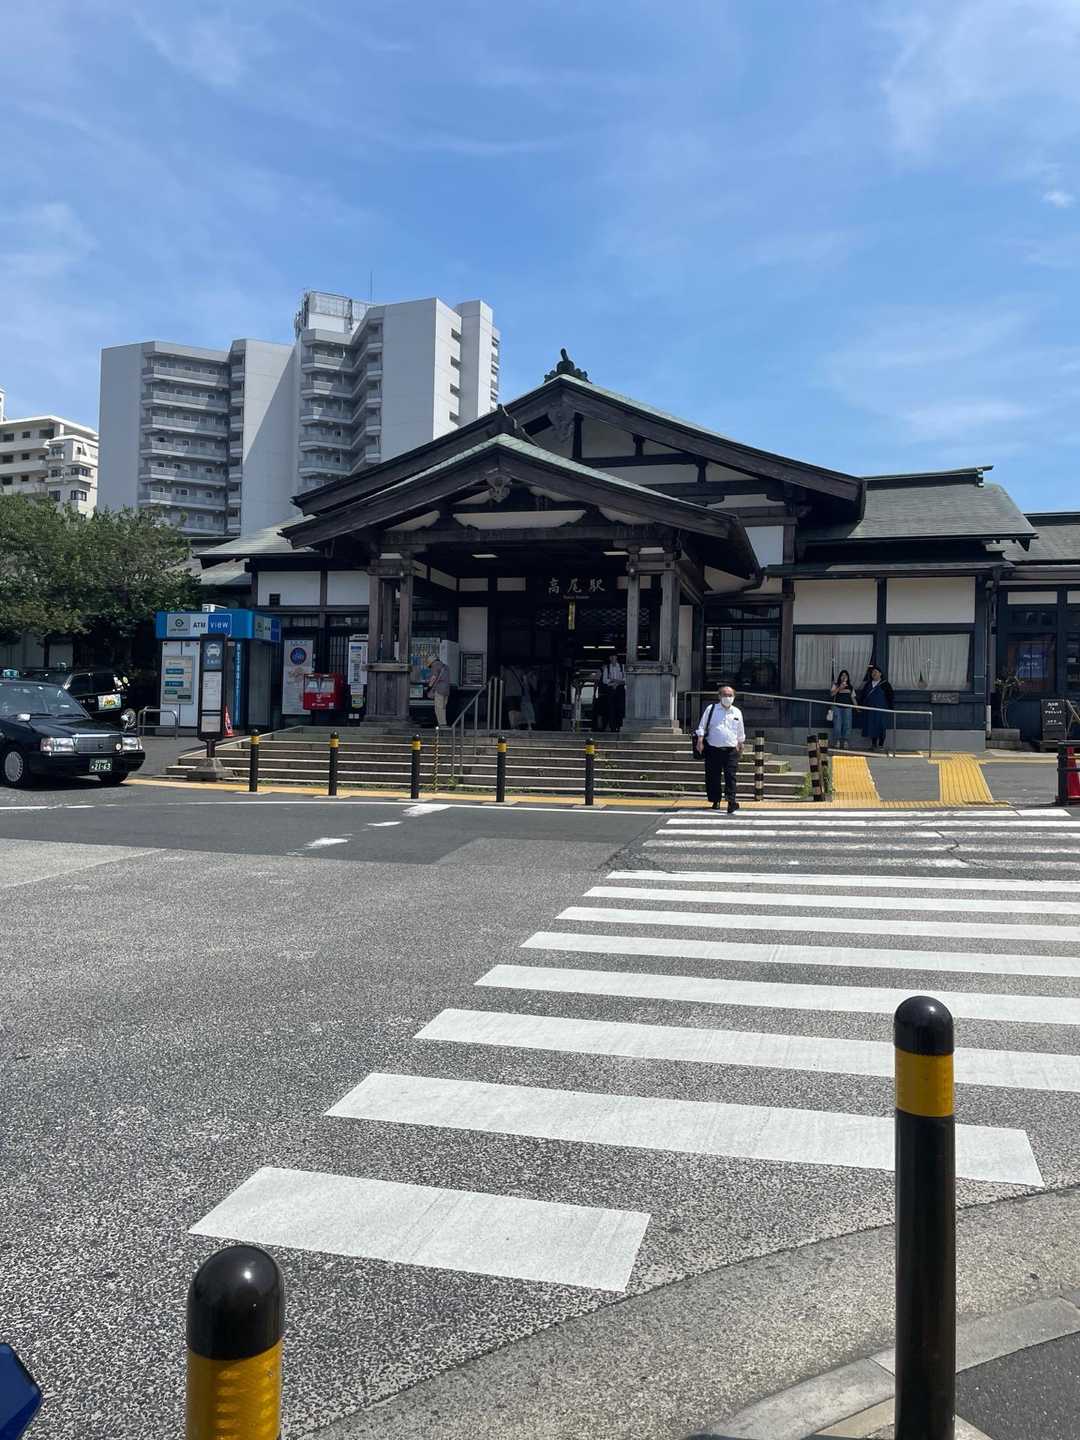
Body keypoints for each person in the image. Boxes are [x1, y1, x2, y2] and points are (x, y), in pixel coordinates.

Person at [694, 684, 745, 812]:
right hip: (713, 749)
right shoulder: (711, 709)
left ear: (734, 697)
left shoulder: (737, 712)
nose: (727, 697)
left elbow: (740, 731)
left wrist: (741, 744)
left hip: (731, 750)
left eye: (730, 695)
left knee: (731, 776)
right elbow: (702, 726)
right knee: (713, 776)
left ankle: (731, 801)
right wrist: (700, 741)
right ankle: (715, 800)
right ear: (719, 696)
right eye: (725, 695)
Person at [858, 665, 893, 749]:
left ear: (880, 674)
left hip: (881, 710)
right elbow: (863, 695)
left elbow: (890, 696)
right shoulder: (868, 684)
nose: (874, 674)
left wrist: (891, 707)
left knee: (881, 726)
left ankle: (881, 744)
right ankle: (873, 744)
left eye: (876, 672)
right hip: (870, 709)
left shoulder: (885, 684)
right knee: (872, 726)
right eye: (873, 672)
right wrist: (860, 705)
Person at [830, 668, 857, 749]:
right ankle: (837, 741)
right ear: (840, 677)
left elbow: (853, 698)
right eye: (842, 675)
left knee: (847, 725)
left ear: (848, 678)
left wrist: (857, 708)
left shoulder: (850, 687)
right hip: (837, 707)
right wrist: (839, 688)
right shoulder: (836, 685)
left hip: (848, 708)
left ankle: (845, 742)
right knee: (837, 725)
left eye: (846, 676)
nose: (844, 677)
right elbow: (832, 694)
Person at [602, 653, 627, 732]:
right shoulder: (607, 668)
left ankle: (620, 725)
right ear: (610, 658)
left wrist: (615, 681)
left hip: (620, 689)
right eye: (611, 657)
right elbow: (604, 680)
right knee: (611, 708)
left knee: (620, 708)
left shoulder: (622, 667)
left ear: (616, 658)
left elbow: (626, 679)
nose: (613, 659)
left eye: (614, 657)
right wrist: (614, 682)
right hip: (611, 689)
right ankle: (612, 727)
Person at [426, 655, 451, 728]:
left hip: (439, 689)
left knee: (438, 708)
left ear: (431, 662)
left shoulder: (435, 665)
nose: (430, 667)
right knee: (443, 707)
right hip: (446, 690)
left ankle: (442, 724)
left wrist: (429, 687)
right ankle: (444, 723)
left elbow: (433, 677)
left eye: (430, 665)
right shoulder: (445, 666)